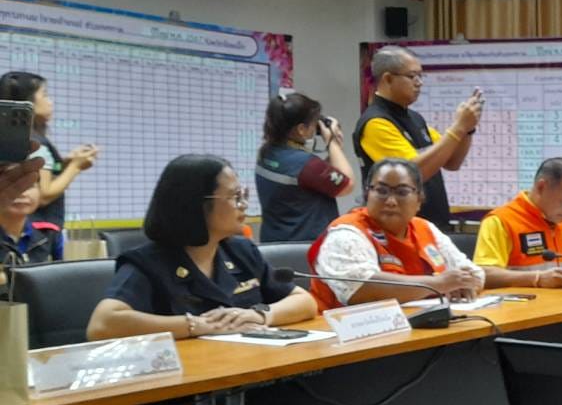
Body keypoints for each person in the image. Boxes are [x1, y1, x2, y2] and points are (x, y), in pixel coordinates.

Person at [86, 155, 316, 340]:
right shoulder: (148, 262)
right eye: (235, 196)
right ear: (196, 205)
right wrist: (195, 325)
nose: (244, 205)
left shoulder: (241, 251)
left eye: (243, 195)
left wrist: (260, 316)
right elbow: (102, 324)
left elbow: (304, 302)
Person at [307, 159, 483, 309]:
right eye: (381, 191)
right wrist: (440, 284)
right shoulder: (346, 232)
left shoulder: (425, 228)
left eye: (402, 192)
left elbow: (474, 274)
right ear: (367, 194)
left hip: (418, 325)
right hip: (344, 331)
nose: (391, 201)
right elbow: (360, 289)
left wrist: (463, 284)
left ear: (419, 200)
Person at [352, 45, 483, 229]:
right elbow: (413, 174)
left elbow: (452, 161)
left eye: (421, 76)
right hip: (400, 229)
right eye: (412, 76)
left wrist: (468, 129)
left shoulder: (415, 118)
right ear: (388, 79)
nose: (419, 83)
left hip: (432, 225)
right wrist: (459, 127)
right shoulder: (376, 122)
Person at [473, 157, 562, 288]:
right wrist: (537, 278)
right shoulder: (501, 221)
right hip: (520, 300)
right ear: (541, 187)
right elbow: (484, 273)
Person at [0, 70, 99, 229]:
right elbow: (44, 194)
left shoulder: (14, 137)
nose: (50, 102)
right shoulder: (32, 140)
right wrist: (76, 166)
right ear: (28, 101)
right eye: (45, 95)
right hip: (38, 230)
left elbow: (38, 178)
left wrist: (65, 163)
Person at [255, 92, 355, 242]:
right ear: (301, 129)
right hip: (303, 248)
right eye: (314, 123)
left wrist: (333, 151)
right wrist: (333, 144)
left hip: (275, 243)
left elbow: (315, 179)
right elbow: (347, 185)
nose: (316, 128)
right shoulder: (305, 164)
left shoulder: (266, 153)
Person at [0, 177, 62, 290]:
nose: (22, 193)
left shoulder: (50, 233)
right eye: (11, 187)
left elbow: (65, 278)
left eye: (29, 186)